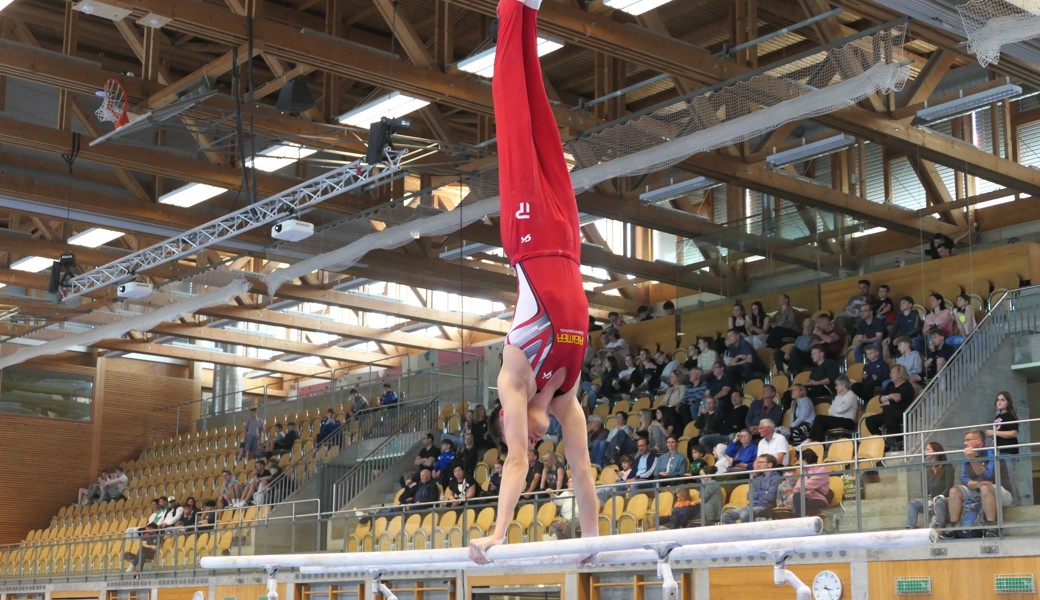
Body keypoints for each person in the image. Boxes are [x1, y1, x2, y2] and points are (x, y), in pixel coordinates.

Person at [469, 0, 599, 563]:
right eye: (527, 432)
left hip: (528, 239)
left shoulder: (513, 383)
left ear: (509, 416)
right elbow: (583, 468)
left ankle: (510, 9)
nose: (531, 437)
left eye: (519, 429)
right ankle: (532, 10)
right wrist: (593, 542)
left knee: (512, 114)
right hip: (568, 243)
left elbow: (516, 460)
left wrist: (499, 533)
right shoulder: (567, 400)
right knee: (542, 115)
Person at [946, 429, 1013, 536]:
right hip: (977, 490)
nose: (965, 443)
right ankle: (954, 528)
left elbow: (988, 476)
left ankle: (992, 527)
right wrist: (977, 484)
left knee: (985, 487)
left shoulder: (992, 452)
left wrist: (973, 459)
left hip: (1002, 492)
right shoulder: (967, 458)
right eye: (965, 440)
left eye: (968, 440)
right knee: (954, 490)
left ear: (979, 441)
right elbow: (964, 479)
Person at [865, 364, 915, 449]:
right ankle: (883, 444)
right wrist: (890, 396)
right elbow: (880, 399)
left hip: (902, 413)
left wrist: (888, 400)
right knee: (870, 420)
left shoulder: (907, 386)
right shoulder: (890, 385)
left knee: (889, 415)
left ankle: (900, 441)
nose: (890, 374)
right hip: (887, 413)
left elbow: (897, 399)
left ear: (900, 374)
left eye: (893, 372)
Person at [721, 454, 781, 524]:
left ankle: (751, 534)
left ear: (770, 465)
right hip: (751, 505)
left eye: (761, 462)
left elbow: (771, 497)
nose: (758, 464)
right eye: (758, 462)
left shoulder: (776, 478)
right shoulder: (757, 479)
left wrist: (757, 494)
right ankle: (740, 533)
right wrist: (764, 492)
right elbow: (749, 496)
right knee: (726, 516)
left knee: (744, 514)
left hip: (765, 507)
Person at [906, 442, 953, 529]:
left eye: (928, 449)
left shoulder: (947, 466)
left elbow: (949, 487)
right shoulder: (926, 468)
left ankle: (939, 529)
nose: (924, 452)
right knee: (913, 503)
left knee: (939, 502)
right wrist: (927, 499)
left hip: (944, 498)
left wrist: (938, 497)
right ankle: (910, 528)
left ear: (936, 451)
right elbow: (924, 488)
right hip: (930, 499)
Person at [987, 391, 1020, 505]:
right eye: (998, 400)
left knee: (1009, 478)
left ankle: (1015, 502)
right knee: (1002, 478)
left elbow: (1013, 433)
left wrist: (994, 432)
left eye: (1002, 400)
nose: (999, 402)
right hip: (999, 450)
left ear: (1008, 402)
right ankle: (1009, 501)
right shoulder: (998, 416)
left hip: (1008, 450)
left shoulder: (1009, 416)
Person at [809, 375, 859, 442]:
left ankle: (809, 439)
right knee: (820, 425)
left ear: (843, 384)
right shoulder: (837, 397)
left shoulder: (851, 396)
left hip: (848, 421)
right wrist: (837, 409)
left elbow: (841, 409)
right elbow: (830, 411)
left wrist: (835, 409)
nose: (835, 387)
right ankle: (821, 446)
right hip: (837, 420)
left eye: (837, 385)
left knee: (819, 418)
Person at [783, 448, 830, 517]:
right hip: (805, 498)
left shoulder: (821, 470)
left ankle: (800, 519)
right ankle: (800, 519)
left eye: (800, 460)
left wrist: (804, 489)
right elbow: (797, 488)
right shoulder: (804, 471)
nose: (799, 463)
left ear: (804, 460)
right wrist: (804, 491)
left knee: (798, 504)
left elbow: (807, 485)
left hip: (818, 499)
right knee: (796, 499)